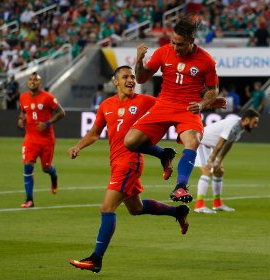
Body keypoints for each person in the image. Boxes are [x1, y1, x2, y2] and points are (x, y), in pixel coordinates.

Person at [68, 66, 189, 273]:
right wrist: (78, 146)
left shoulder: (144, 101)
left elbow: (169, 108)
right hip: (116, 162)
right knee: (136, 209)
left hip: (129, 163)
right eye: (125, 77)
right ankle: (178, 211)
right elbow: (95, 133)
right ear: (116, 82)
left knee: (107, 208)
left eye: (133, 76)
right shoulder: (106, 105)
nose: (131, 79)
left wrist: (198, 107)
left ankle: (96, 259)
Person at [124, 13, 223, 204]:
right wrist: (138, 62)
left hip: (188, 108)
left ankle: (180, 187)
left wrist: (202, 104)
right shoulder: (163, 52)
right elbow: (142, 78)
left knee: (192, 141)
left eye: (180, 44)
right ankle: (164, 154)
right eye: (173, 43)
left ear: (191, 41)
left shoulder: (206, 61)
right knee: (129, 142)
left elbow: (213, 90)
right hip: (163, 104)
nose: (175, 48)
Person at [194, 109, 260, 214]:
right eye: (254, 122)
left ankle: (217, 204)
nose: (256, 125)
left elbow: (229, 144)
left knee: (219, 172)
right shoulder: (233, 123)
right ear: (247, 119)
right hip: (200, 142)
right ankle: (199, 205)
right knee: (207, 170)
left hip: (209, 146)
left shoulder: (240, 128)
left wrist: (219, 160)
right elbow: (221, 142)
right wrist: (211, 160)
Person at [18, 72, 66, 208]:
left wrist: (48, 123)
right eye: (31, 79)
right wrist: (21, 119)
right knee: (27, 165)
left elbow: (62, 112)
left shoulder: (48, 98)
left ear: (40, 83)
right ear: (28, 82)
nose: (33, 81)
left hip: (46, 139)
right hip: (30, 139)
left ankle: (53, 175)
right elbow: (23, 111)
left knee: (45, 168)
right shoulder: (22, 97)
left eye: (36, 80)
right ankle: (29, 200)